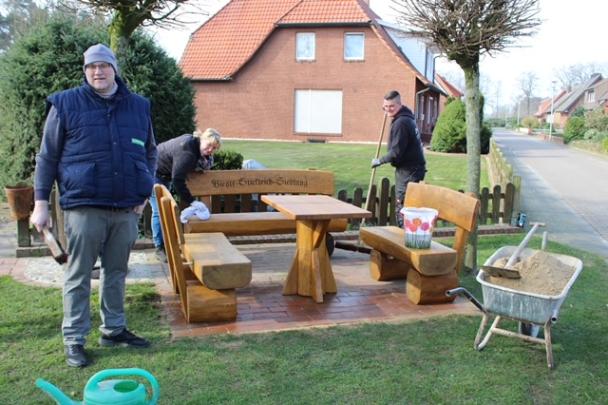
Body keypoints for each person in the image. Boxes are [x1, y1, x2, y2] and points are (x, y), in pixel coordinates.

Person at [30, 44, 157, 368]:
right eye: (90, 67)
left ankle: (113, 330)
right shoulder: (65, 104)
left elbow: (150, 153)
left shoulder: (138, 107)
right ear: (85, 72)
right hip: (83, 207)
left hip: (126, 208)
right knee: (79, 274)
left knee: (116, 272)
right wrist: (40, 203)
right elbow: (47, 156)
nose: (97, 72)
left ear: (114, 69)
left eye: (103, 66)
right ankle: (74, 339)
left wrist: (143, 194)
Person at [150, 128, 222, 260]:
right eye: (209, 145)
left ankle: (166, 246)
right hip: (153, 172)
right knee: (159, 211)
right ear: (202, 139)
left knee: (161, 210)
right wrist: (192, 201)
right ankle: (159, 248)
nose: (211, 150)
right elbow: (178, 179)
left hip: (164, 174)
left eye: (214, 148)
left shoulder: (194, 143)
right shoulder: (187, 153)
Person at [371, 90, 426, 227]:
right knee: (409, 205)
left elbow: (396, 152)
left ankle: (404, 238)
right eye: (385, 107)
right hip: (412, 168)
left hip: (409, 171)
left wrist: (379, 161)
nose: (388, 109)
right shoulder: (407, 118)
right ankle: (407, 236)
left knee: (402, 206)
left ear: (399, 105)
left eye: (391, 106)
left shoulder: (401, 122)